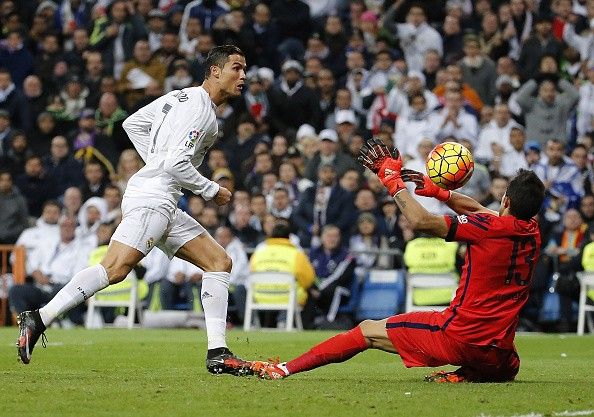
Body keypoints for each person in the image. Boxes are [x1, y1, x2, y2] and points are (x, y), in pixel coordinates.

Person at [16, 45, 252, 376]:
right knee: (114, 269)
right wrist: (211, 189)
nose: (243, 76)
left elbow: (133, 123)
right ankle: (39, 317)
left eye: (244, 69)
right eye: (236, 68)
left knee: (218, 262)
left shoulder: (180, 97)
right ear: (215, 71)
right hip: (152, 198)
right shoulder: (201, 113)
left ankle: (218, 352)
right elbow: (175, 163)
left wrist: (155, 161)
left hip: (162, 199)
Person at [247, 138, 545, 383]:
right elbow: (483, 211)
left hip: (458, 336)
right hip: (499, 352)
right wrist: (441, 192)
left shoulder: (486, 228)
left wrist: (393, 183)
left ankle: (284, 369)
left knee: (366, 330)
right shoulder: (532, 232)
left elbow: (420, 221)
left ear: (505, 200)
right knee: (506, 368)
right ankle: (465, 376)